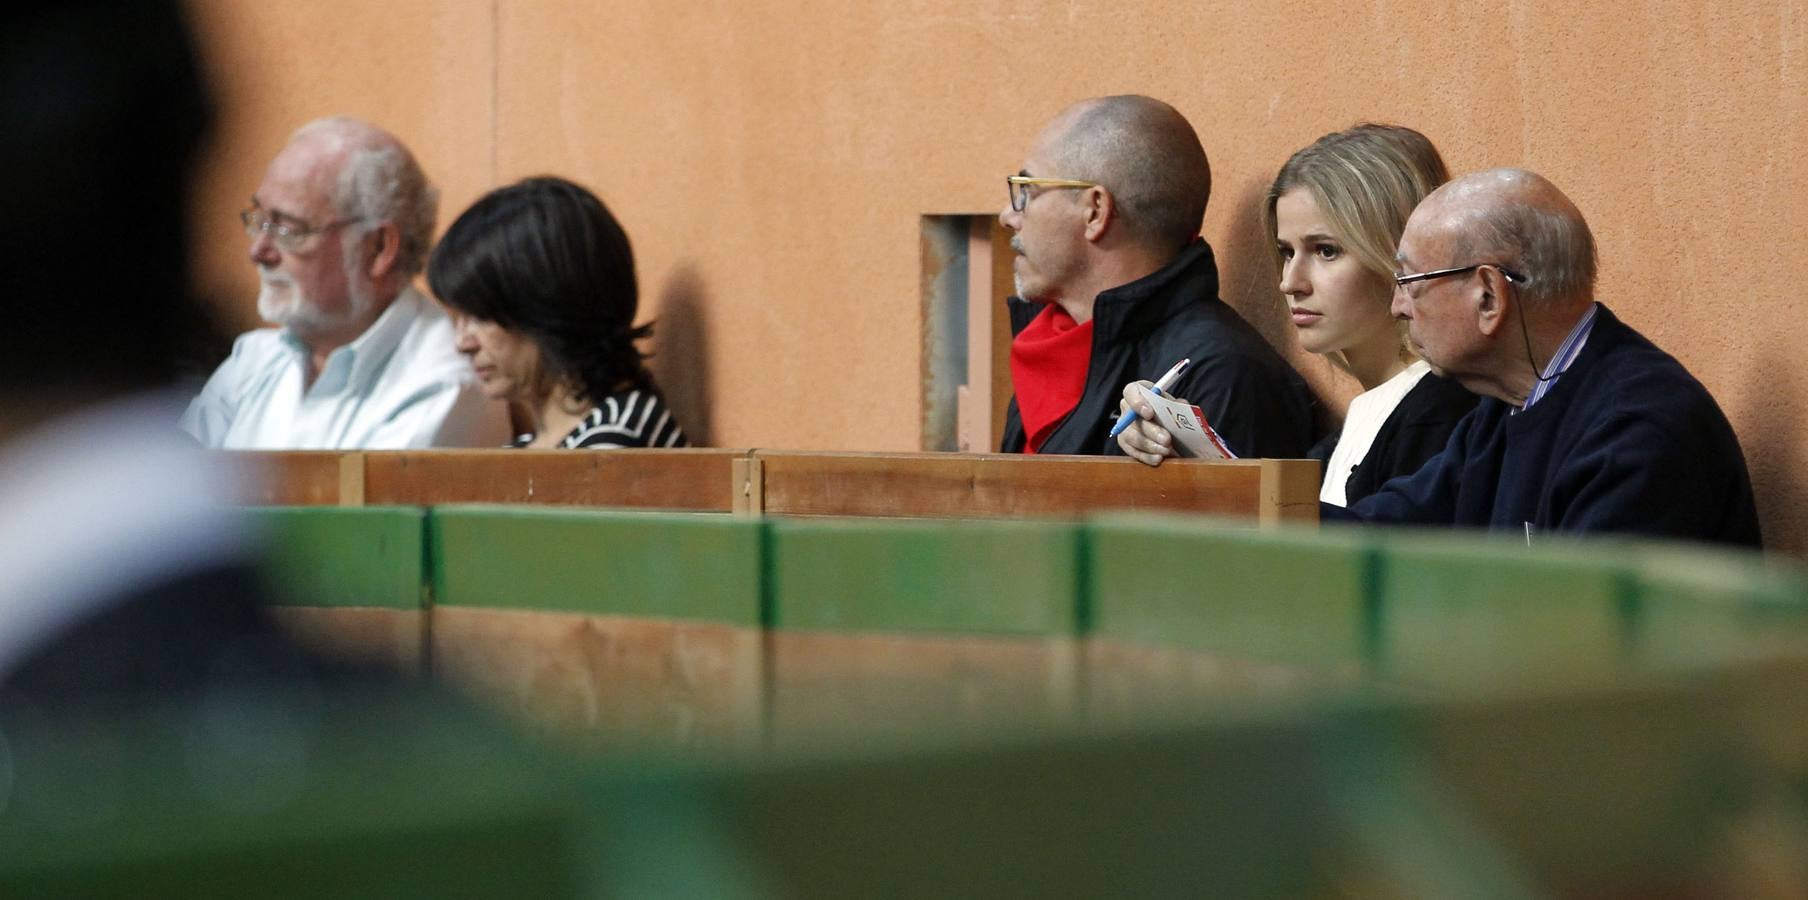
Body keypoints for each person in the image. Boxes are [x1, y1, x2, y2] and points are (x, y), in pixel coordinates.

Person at [1329, 168, 1760, 547]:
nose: (1398, 307)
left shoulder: (1639, 432)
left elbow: (1581, 630)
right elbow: (1389, 529)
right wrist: (1267, 521)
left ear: (1488, 296)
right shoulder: (1507, 406)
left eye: (1409, 280)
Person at [1118, 125, 1477, 507]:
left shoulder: (1440, 416)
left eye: (1325, 251)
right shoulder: (1369, 415)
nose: (1290, 283)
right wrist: (1169, 444)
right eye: (1287, 252)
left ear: (1399, 255)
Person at [997, 95, 1317, 458]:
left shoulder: (1223, 375)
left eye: (1027, 190)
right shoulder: (1051, 346)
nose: (1007, 215)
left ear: (1095, 211)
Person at [181, 117, 509, 449]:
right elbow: (169, 479)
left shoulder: (441, 385)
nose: (259, 251)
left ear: (378, 248)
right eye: (260, 221)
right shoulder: (254, 358)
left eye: (288, 229)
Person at [428, 177, 688, 449]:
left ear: (546, 306)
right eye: (458, 319)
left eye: (481, 316)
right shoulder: (528, 450)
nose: (462, 343)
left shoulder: (614, 444)